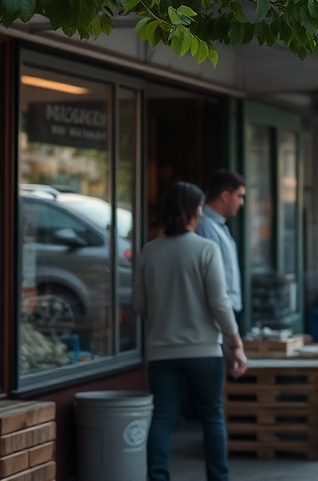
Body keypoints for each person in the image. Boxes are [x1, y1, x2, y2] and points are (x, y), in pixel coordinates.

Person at [135, 181, 248, 481]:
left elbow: (139, 304)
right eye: (199, 206)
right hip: (204, 351)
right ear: (193, 211)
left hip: (161, 352)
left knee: (162, 418)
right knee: (212, 417)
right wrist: (235, 343)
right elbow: (219, 303)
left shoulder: (148, 251)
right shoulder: (206, 249)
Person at [195, 169, 245, 320]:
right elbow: (208, 276)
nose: (241, 203)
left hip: (225, 312)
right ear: (225, 196)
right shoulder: (204, 226)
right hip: (216, 315)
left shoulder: (219, 226)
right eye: (239, 196)